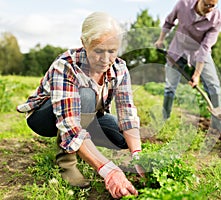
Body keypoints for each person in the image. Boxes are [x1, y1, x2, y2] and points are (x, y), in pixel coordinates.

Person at [17, 11, 144, 199]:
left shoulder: (120, 68)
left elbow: (127, 113)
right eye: (99, 51)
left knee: (121, 138)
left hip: (89, 115)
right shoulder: (66, 66)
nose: (106, 59)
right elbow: (70, 125)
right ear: (84, 43)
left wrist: (137, 154)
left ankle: (85, 145)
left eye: (112, 51)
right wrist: (109, 171)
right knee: (85, 94)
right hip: (46, 117)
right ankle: (67, 162)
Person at [154, 0, 221, 132]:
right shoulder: (183, 4)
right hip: (178, 49)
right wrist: (161, 39)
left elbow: (205, 47)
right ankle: (164, 118)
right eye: (206, 4)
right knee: (170, 86)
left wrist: (196, 75)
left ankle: (218, 124)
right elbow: (169, 21)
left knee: (214, 86)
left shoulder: (216, 19)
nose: (209, 8)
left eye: (212, 6)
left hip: (200, 52)